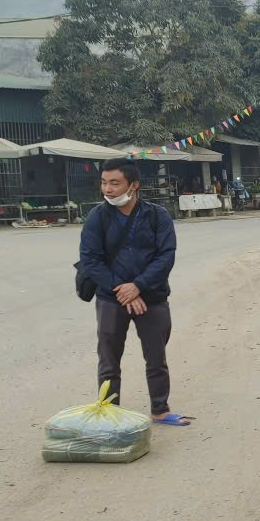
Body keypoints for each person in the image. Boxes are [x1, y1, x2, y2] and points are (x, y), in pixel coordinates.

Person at [78, 158, 190, 426]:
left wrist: (138, 286)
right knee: (108, 359)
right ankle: (109, 412)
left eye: (115, 183)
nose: (108, 189)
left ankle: (160, 410)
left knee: (156, 356)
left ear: (134, 185)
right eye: (104, 183)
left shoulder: (157, 215)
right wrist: (124, 290)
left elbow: (166, 256)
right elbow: (90, 260)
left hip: (152, 297)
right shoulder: (97, 216)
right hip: (111, 298)